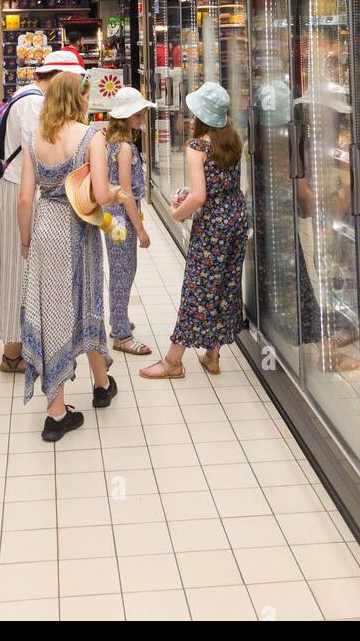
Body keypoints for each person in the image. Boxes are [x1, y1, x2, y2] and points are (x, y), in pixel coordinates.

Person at [17, 69, 122, 441]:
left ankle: (82, 392)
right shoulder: (91, 136)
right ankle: (74, 402)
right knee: (88, 304)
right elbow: (100, 194)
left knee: (54, 312)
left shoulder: (36, 140)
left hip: (47, 228)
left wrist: (27, 241)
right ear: (78, 98)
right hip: (80, 229)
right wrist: (117, 194)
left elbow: (26, 197)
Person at [140, 81, 247, 380]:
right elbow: (220, 184)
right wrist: (193, 193)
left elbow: (200, 197)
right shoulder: (232, 141)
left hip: (212, 224)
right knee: (225, 284)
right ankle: (212, 354)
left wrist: (177, 212)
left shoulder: (196, 147)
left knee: (197, 287)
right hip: (236, 217)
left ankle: (174, 361)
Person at [0, 50, 65, 372]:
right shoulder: (34, 104)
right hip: (15, 191)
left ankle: (15, 347)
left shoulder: (20, 97)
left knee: (13, 266)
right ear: (55, 78)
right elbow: (37, 153)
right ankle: (13, 356)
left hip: (8, 188)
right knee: (17, 268)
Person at [103, 85, 155, 356]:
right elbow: (125, 192)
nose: (141, 117)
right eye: (137, 114)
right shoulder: (124, 148)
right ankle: (121, 334)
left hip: (114, 218)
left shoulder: (114, 143)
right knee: (123, 271)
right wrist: (141, 228)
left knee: (122, 268)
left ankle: (118, 317)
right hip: (121, 219)